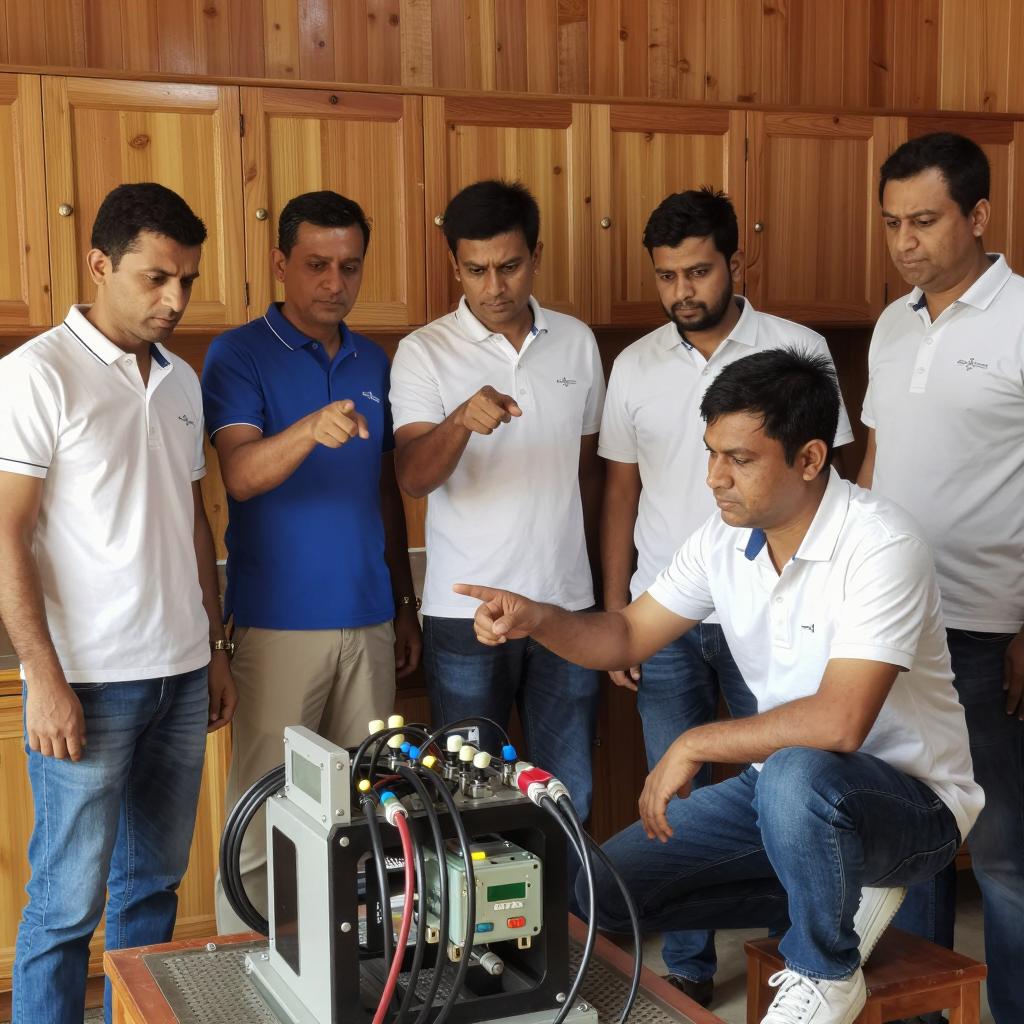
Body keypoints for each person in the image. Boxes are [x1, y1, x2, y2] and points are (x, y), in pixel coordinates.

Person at [457, 348, 982, 1024]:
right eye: (711, 453)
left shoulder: (881, 543)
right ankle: (837, 890)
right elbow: (626, 634)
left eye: (739, 459)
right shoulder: (723, 539)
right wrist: (537, 619)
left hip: (912, 807)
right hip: (789, 797)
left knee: (795, 771)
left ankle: (826, 973)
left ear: (810, 459)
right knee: (601, 889)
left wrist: (696, 742)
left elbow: (840, 722)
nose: (714, 477)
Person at [599, 187, 855, 1007]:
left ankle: (792, 959)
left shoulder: (797, 349)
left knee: (786, 789)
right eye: (667, 276)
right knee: (672, 801)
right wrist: (618, 609)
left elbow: (831, 481)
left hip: (772, 609)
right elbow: (619, 493)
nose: (682, 291)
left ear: (736, 262)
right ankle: (688, 969)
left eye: (699, 271)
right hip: (666, 613)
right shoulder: (635, 364)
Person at [0, 182, 236, 1024]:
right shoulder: (35, 375)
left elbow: (192, 524)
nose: (175, 300)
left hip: (181, 676)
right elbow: (6, 534)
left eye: (187, 280)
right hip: (88, 683)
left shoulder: (181, 380)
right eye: (155, 278)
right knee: (66, 906)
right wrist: (42, 677)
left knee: (154, 890)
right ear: (99, 264)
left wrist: (214, 649)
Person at [201, 190, 421, 931]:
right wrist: (309, 429)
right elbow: (239, 475)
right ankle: (244, 976)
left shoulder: (374, 359)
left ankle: (354, 974)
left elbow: (386, 493)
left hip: (371, 619)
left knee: (367, 819)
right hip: (278, 625)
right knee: (261, 821)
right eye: (317, 265)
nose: (335, 282)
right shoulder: (238, 353)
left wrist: (405, 603)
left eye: (349, 266)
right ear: (281, 263)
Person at [859, 132, 1024, 1024]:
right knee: (907, 841)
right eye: (893, 223)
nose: (905, 242)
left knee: (1000, 853)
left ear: (980, 215)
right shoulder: (893, 324)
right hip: (892, 623)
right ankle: (923, 1015)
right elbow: (876, 463)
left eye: (923, 221)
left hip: (986, 625)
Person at [389, 179, 605, 820]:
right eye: (476, 269)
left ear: (535, 255)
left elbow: (588, 474)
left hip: (565, 605)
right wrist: (459, 421)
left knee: (567, 798)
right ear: (454, 264)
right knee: (467, 805)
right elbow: (413, 477)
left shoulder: (577, 341)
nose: (494, 287)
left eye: (509, 266)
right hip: (466, 612)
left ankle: (570, 895)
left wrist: (600, 591)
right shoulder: (423, 351)